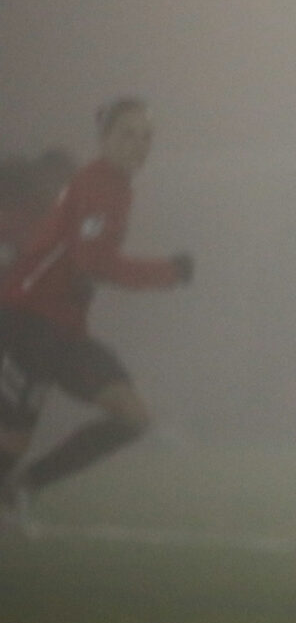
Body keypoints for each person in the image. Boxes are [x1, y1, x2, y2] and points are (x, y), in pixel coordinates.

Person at [0, 101, 193, 528]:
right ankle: (18, 485)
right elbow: (94, 264)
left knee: (127, 417)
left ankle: (20, 487)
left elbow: (85, 262)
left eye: (145, 136)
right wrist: (169, 272)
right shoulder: (98, 186)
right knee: (16, 445)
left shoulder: (115, 187)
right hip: (33, 325)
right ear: (103, 140)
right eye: (126, 133)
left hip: (56, 328)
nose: (138, 144)